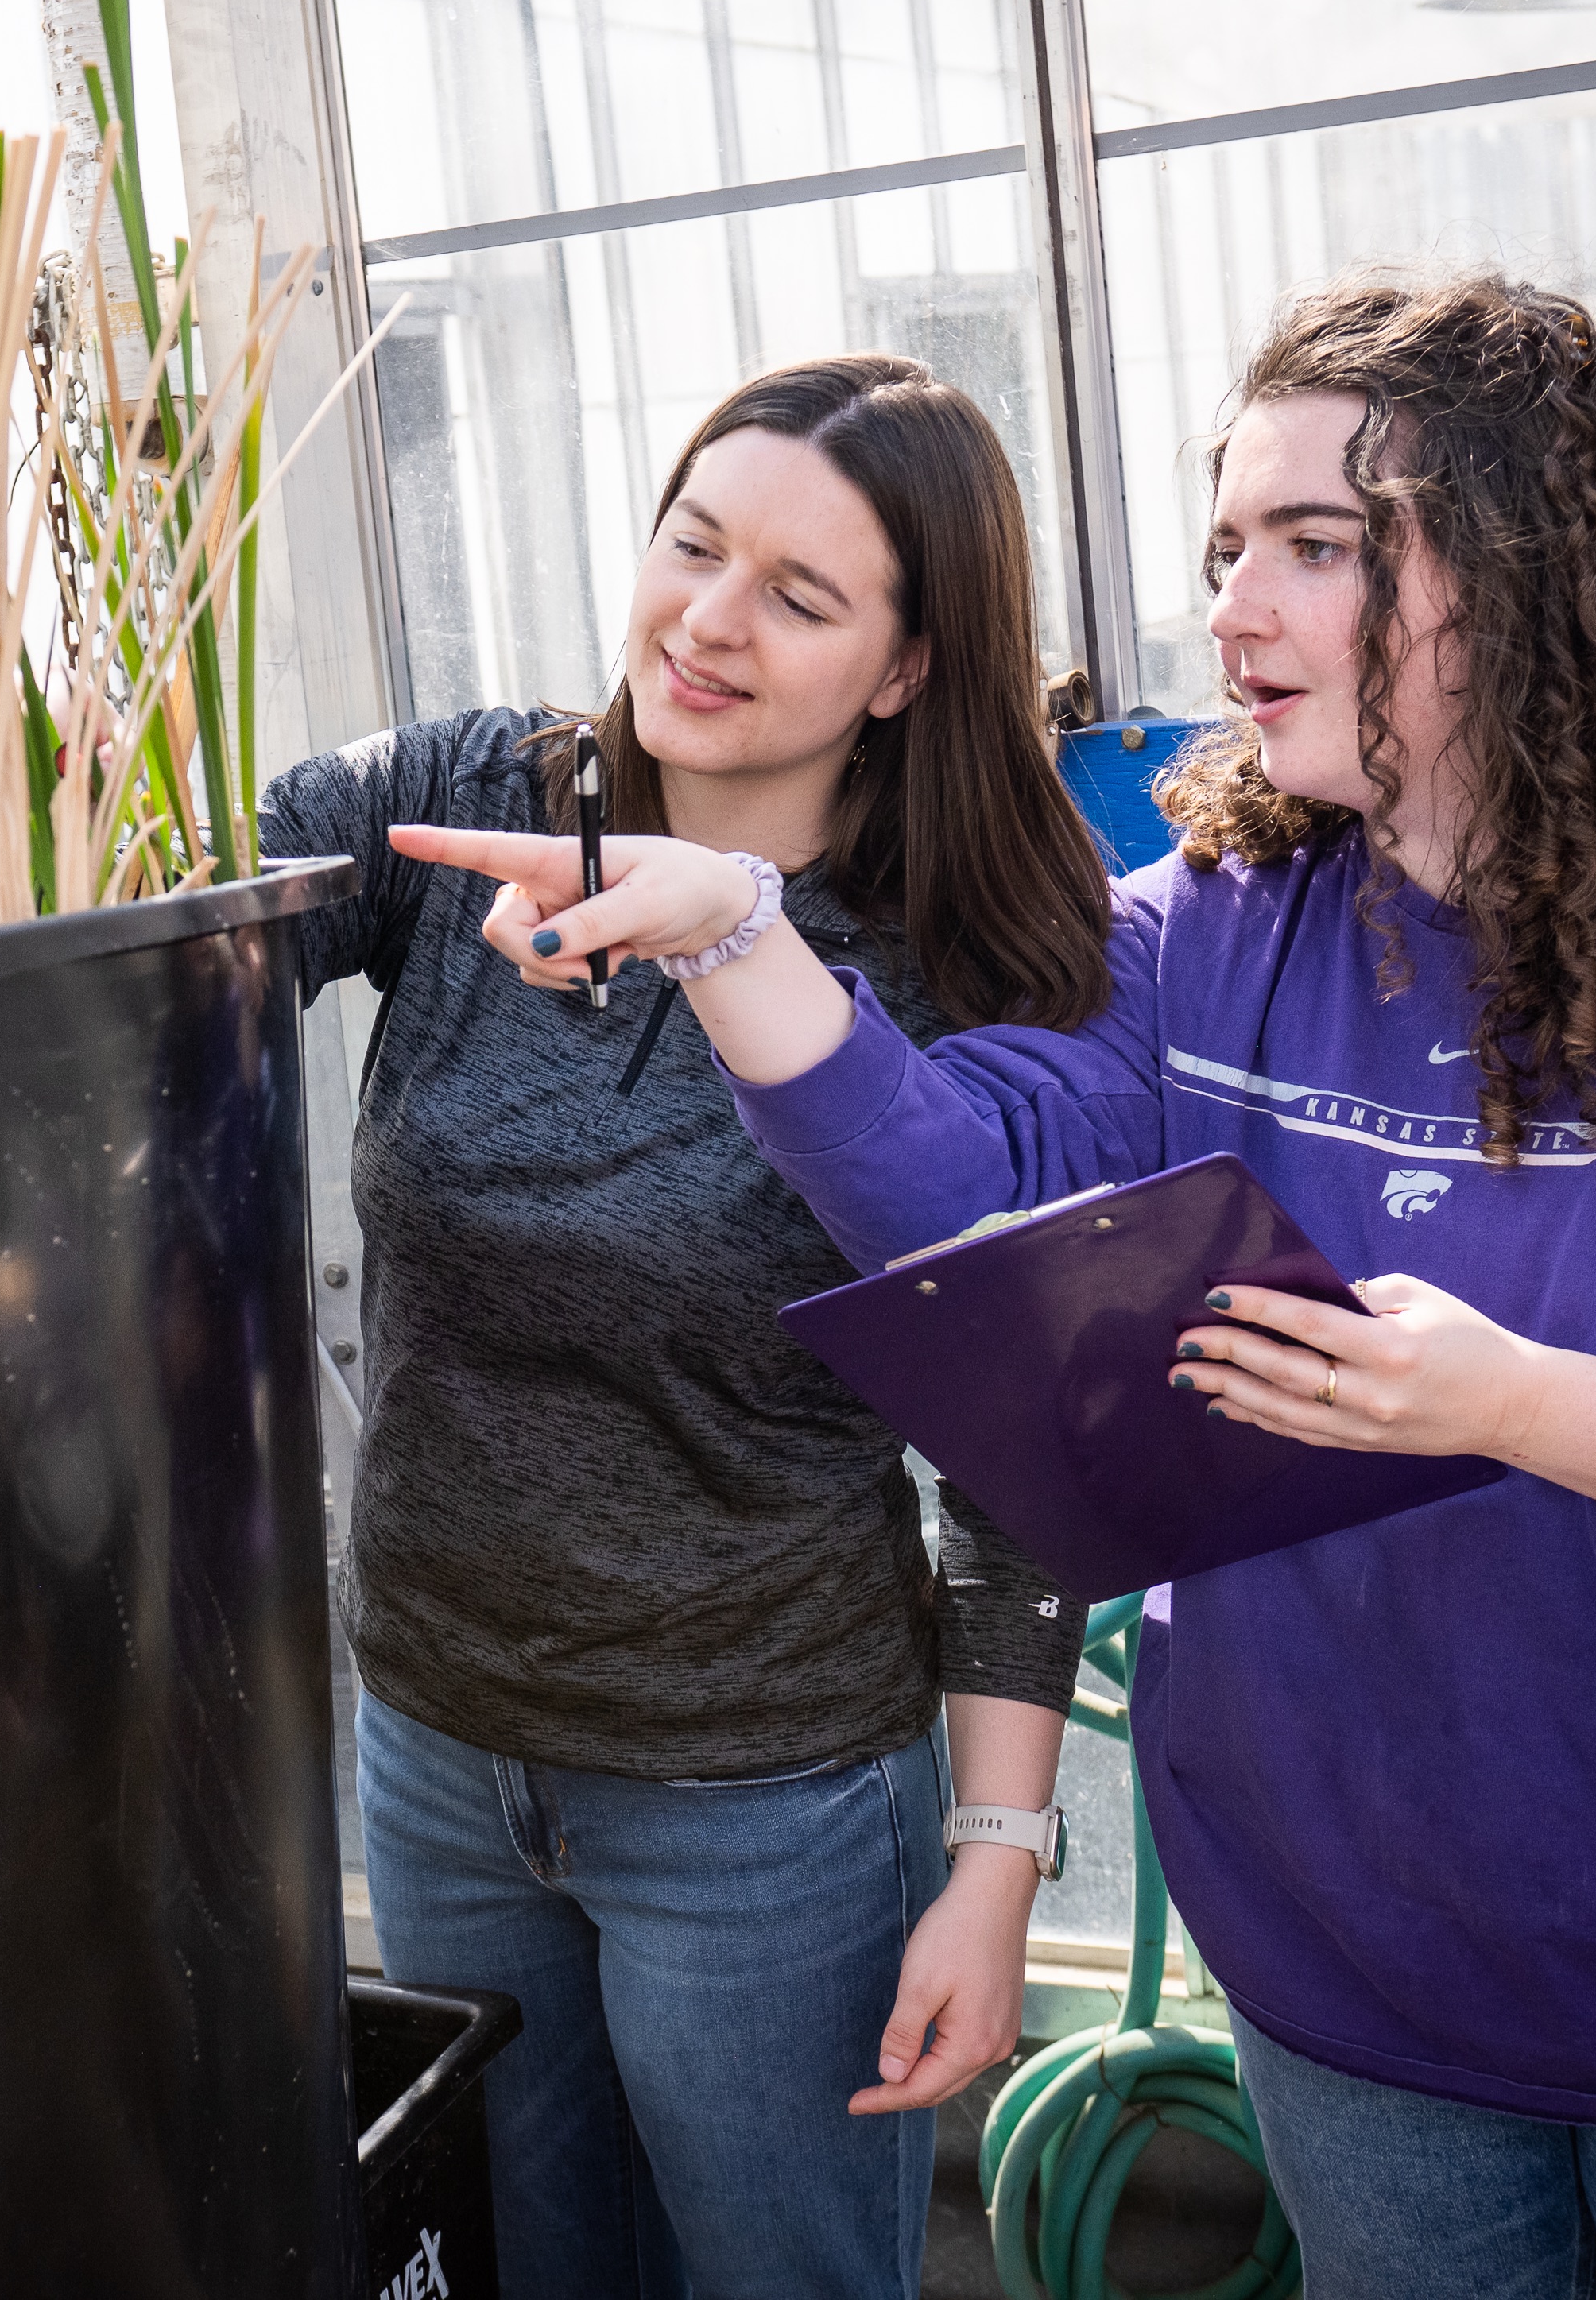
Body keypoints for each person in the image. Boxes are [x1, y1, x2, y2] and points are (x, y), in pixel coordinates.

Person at [400, 273, 1596, 2298]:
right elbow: (962, 1201)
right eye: (1225, 543)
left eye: (1315, 547)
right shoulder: (1211, 920)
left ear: (1533, 573)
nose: (1230, 606)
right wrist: (730, 936)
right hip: (1353, 1990)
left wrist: (1512, 1401)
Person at [258, 356, 1113, 2298]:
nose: (707, 620)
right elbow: (179, 902)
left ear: (904, 669)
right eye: (690, 543)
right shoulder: (467, 801)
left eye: (799, 596)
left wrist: (992, 1858)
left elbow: (1013, 1451)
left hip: (765, 1802)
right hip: (440, 1748)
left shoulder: (949, 961)